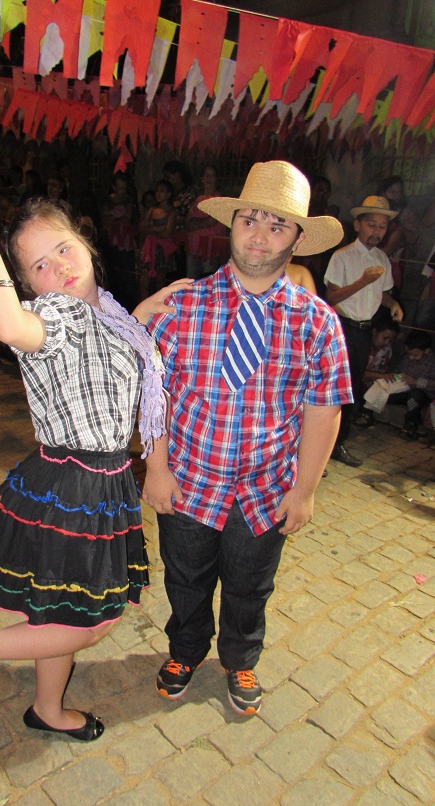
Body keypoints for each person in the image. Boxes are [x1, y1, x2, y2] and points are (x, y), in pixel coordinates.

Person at [0, 172, 192, 741]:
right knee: (93, 622)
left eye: (63, 248)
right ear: (27, 284)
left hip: (85, 481)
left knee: (61, 610)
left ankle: (47, 710)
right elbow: (10, 322)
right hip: (77, 486)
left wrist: (142, 315)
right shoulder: (56, 318)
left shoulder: (107, 313)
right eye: (39, 266)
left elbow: (108, 356)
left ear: (85, 242)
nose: (58, 266)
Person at [142, 161, 352, 716]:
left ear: (298, 239)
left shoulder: (317, 322)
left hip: (265, 489)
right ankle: (186, 649)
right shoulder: (182, 305)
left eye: (277, 226)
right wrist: (156, 469)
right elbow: (153, 395)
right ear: (231, 224)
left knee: (250, 586)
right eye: (250, 220)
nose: (260, 235)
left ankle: (240, 657)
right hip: (188, 481)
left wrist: (305, 490)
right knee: (186, 580)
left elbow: (323, 412)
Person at [324, 195, 404, 467]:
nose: (377, 232)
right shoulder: (342, 256)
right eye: (372, 225)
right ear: (358, 225)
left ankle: (337, 442)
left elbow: (380, 293)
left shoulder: (382, 258)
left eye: (382, 227)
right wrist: (363, 281)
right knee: (337, 388)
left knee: (352, 388)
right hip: (344, 327)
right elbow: (332, 297)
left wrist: (393, 304)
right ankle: (328, 444)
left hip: (364, 330)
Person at [353, 314, 401, 428]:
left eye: (391, 340)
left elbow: (383, 370)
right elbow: (359, 372)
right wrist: (380, 376)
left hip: (372, 383)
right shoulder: (362, 347)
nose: (387, 342)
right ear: (375, 332)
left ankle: (366, 415)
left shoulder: (387, 350)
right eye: (385, 338)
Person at [184, 165, 227, 279]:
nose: (209, 178)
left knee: (208, 282)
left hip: (210, 249)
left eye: (212, 176)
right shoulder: (198, 199)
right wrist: (197, 222)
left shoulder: (220, 200)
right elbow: (187, 223)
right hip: (194, 247)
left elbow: (211, 222)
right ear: (202, 179)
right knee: (191, 282)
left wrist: (195, 222)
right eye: (207, 175)